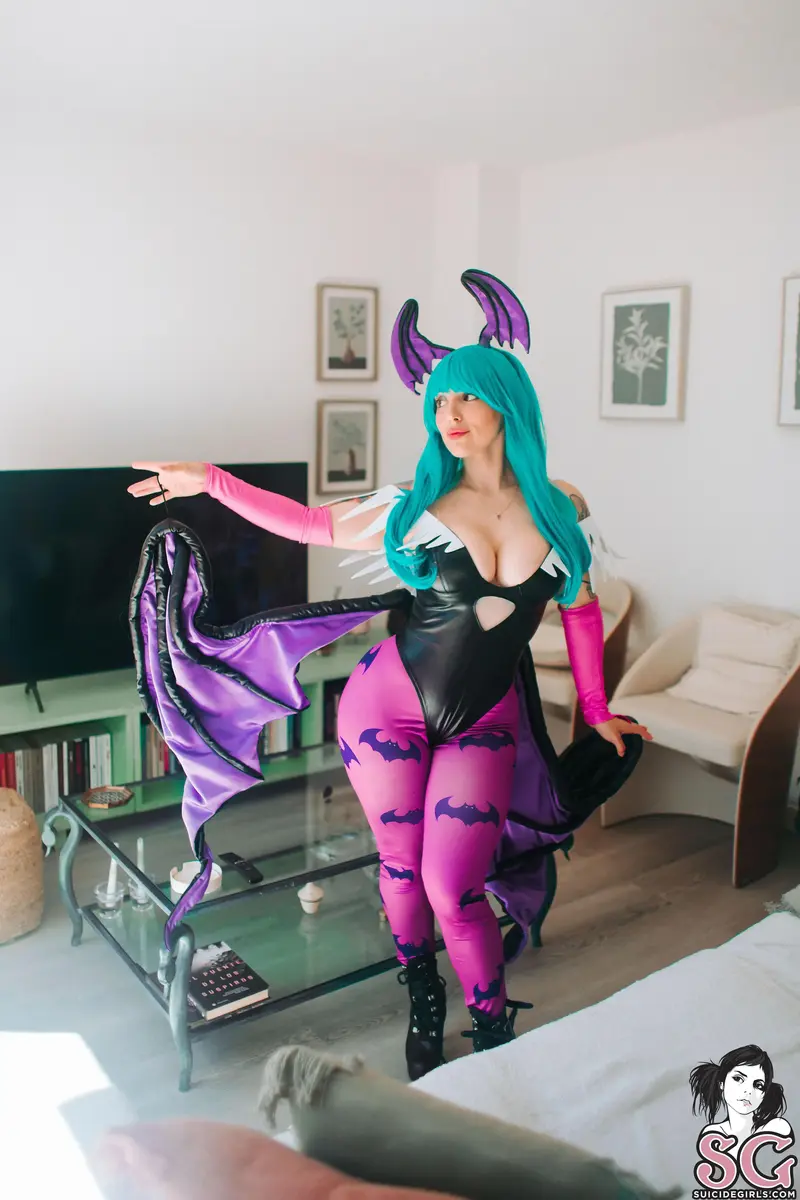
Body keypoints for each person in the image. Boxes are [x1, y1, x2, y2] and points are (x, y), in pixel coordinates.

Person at [128, 269, 651, 1081]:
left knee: (453, 885)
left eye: (465, 398)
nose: (449, 415)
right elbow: (306, 524)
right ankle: (424, 994)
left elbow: (581, 611)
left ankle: (492, 1030)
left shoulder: (561, 516)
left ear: (506, 402)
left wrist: (597, 705)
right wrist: (212, 482)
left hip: (482, 723)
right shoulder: (412, 509)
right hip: (385, 712)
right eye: (438, 403)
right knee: (402, 871)